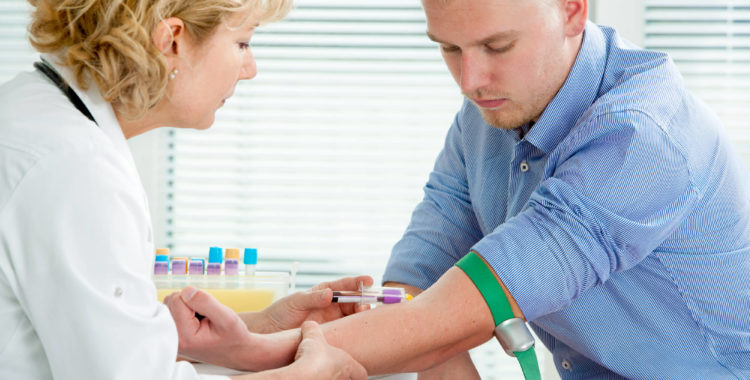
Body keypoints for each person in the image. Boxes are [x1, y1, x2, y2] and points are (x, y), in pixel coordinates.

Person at [166, 0, 750, 378]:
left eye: (498, 47)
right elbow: (422, 275)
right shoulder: (492, 108)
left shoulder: (644, 136)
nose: (471, 80)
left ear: (573, 10)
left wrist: (262, 351)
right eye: (448, 48)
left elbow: (472, 305)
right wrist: (283, 337)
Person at [0, 1, 369, 379]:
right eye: (242, 43)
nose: (250, 70)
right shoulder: (74, 170)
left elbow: (107, 342)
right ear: (172, 40)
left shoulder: (34, 114)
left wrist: (262, 327)